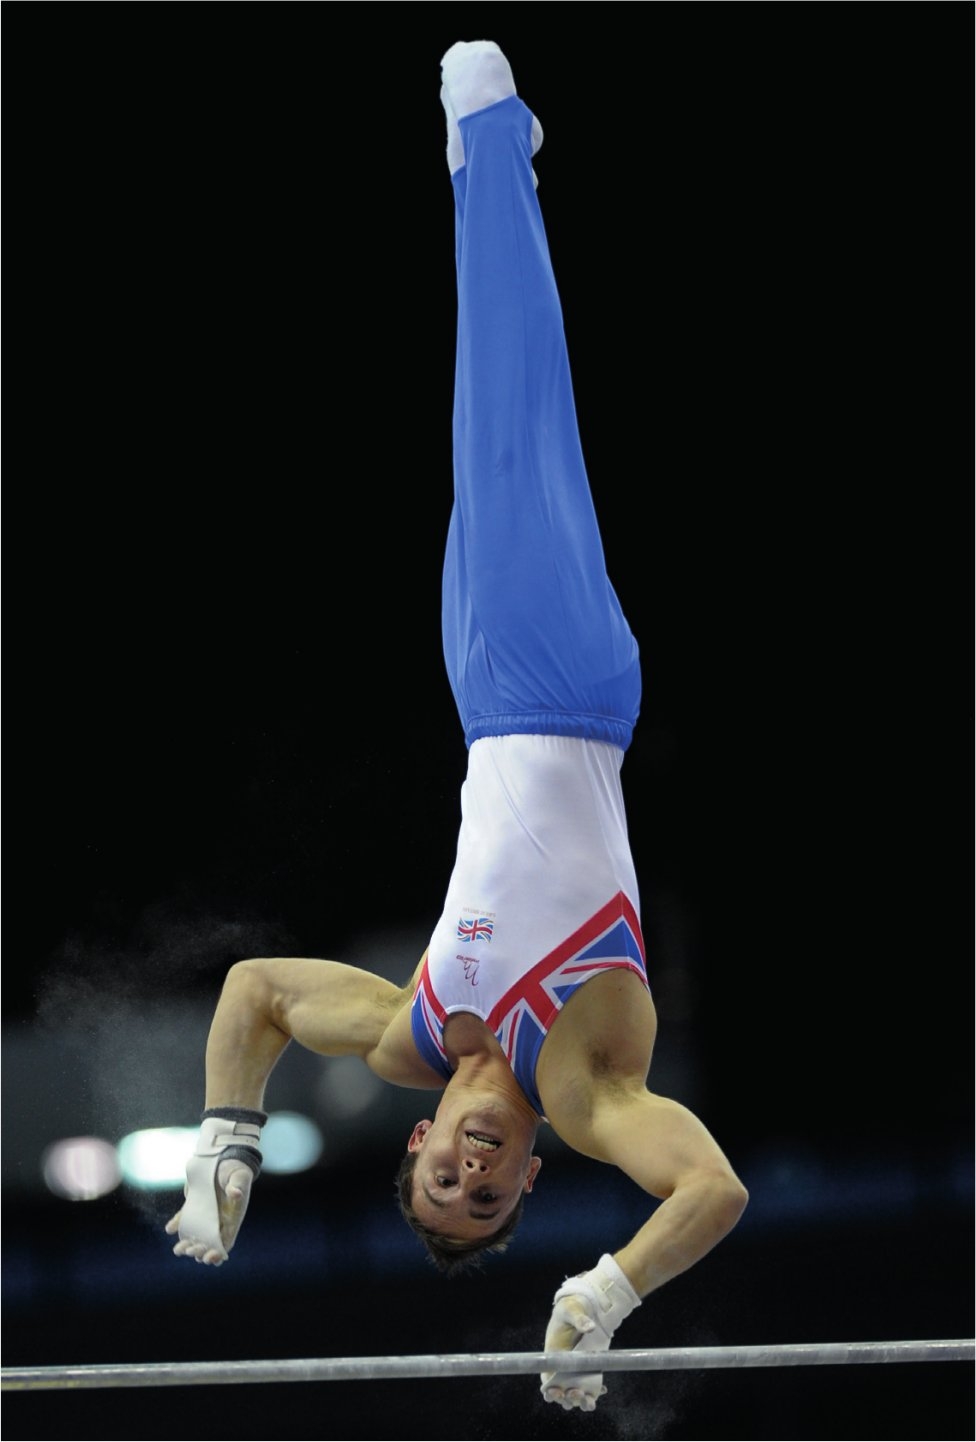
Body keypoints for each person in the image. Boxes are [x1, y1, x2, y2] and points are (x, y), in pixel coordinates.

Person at [165, 41, 748, 1413]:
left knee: (489, 424)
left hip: (479, 690)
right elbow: (712, 1185)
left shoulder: (408, 1030)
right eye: (494, 1195)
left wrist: (225, 1142)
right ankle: (488, 134)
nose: (475, 1172)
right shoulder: (593, 1087)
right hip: (563, 685)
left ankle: (496, 167)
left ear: (421, 1134)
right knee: (503, 414)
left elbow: (252, 991)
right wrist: (608, 1290)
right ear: (533, 1174)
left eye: (446, 1176)